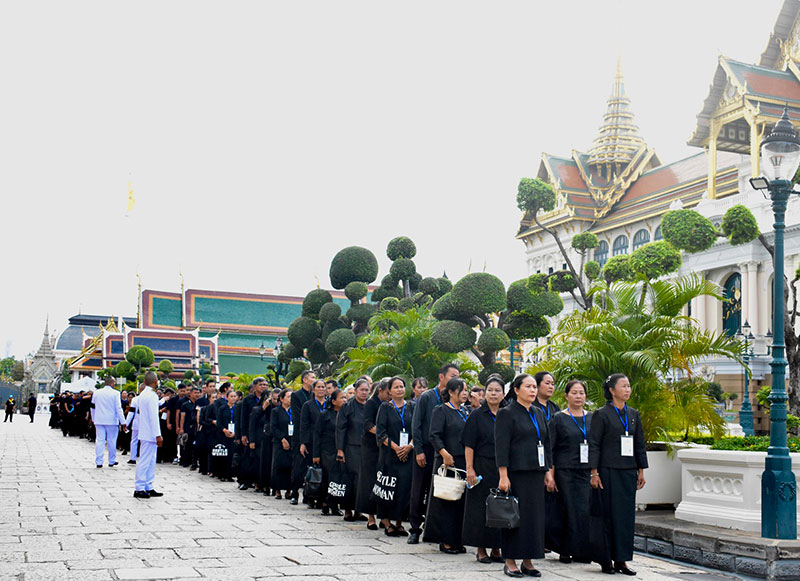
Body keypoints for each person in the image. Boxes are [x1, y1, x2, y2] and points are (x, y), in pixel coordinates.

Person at [496, 373, 554, 578]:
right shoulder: (507, 413)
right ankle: (510, 560)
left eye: (534, 387)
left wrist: (548, 470)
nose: (532, 390)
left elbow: (546, 444)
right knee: (515, 517)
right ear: (516, 389)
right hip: (516, 473)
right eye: (528, 387)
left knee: (534, 519)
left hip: (536, 473)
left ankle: (528, 561)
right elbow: (501, 447)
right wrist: (503, 475)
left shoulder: (538, 412)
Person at [589, 374, 647, 576]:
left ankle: (622, 560)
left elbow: (639, 443)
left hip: (628, 471)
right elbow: (594, 445)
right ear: (612, 390)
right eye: (623, 386)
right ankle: (606, 560)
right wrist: (594, 472)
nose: (628, 390)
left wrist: (640, 470)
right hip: (607, 471)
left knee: (625, 518)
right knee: (607, 516)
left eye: (629, 386)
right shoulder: (601, 414)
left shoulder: (633, 414)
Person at [408, 363, 460, 544]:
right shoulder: (427, 397)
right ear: (441, 377)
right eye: (452, 375)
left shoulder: (455, 399)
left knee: (439, 491)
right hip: (426, 450)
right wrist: (419, 450)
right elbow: (417, 424)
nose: (455, 379)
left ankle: (435, 529)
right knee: (418, 489)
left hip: (445, 453)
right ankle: (414, 528)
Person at [548, 379, 593, 564]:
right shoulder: (558, 418)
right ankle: (565, 550)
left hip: (586, 471)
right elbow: (550, 448)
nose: (578, 396)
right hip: (565, 471)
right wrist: (549, 475)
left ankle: (582, 551)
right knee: (567, 510)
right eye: (574, 392)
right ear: (566, 396)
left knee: (584, 511)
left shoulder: (592, 418)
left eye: (581, 393)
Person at [462, 375, 504, 564]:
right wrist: (469, 469)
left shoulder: (507, 414)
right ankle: (481, 549)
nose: (493, 394)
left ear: (503, 394)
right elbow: (469, 445)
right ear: (483, 394)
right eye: (490, 390)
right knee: (480, 508)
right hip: (481, 466)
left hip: (502, 468)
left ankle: (497, 548)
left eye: (497, 390)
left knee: (501, 507)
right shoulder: (476, 415)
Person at [424, 377, 469, 553]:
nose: (465, 393)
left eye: (466, 390)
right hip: (447, 461)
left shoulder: (465, 411)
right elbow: (434, 435)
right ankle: (446, 540)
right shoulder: (440, 410)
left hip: (463, 461)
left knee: (460, 502)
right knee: (446, 500)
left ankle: (457, 539)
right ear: (451, 392)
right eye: (462, 390)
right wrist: (444, 453)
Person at [374, 376, 414, 537]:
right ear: (389, 390)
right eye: (396, 387)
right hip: (389, 455)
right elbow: (381, 432)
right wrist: (397, 448)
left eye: (402, 386)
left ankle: (399, 522)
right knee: (388, 489)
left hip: (408, 455)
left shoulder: (412, 406)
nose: (400, 390)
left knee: (404, 489)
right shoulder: (385, 407)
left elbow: (417, 429)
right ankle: (387, 522)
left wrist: (409, 447)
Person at [356, 378, 389, 531]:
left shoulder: (390, 404)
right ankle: (370, 517)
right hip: (371, 447)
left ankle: (385, 517)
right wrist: (383, 434)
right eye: (388, 393)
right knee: (370, 480)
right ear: (380, 390)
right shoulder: (371, 403)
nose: (390, 395)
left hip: (386, 447)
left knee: (384, 481)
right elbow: (368, 424)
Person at [336, 377, 370, 521]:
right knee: (350, 478)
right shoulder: (347, 406)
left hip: (366, 448)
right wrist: (340, 449)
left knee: (363, 480)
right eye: (361, 390)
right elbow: (340, 428)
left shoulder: (370, 407)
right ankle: (348, 509)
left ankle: (359, 510)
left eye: (367, 390)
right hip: (350, 447)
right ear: (355, 391)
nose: (364, 393)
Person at [313, 388, 345, 516]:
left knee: (338, 478)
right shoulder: (325, 415)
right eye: (342, 398)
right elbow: (317, 435)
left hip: (340, 450)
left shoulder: (345, 414)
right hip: (326, 450)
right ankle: (325, 503)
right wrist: (315, 454)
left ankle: (335, 504)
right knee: (327, 477)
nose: (344, 400)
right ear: (333, 401)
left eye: (345, 398)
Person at [298, 379, 328, 507]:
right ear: (314, 389)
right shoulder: (308, 405)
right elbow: (304, 425)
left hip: (326, 441)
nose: (321, 389)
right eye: (318, 387)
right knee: (312, 469)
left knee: (325, 470)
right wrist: (303, 442)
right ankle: (310, 496)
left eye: (323, 387)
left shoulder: (329, 404)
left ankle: (323, 498)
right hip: (311, 440)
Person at [134, 372, 164, 499]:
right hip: (150, 433)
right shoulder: (151, 396)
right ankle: (140, 487)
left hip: (146, 432)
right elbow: (154, 417)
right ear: (155, 382)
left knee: (151, 461)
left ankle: (148, 485)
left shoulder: (143, 395)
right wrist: (158, 434)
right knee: (145, 461)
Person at [289, 371, 317, 503]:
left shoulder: (315, 395)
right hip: (300, 435)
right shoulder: (296, 395)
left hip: (314, 436)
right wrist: (302, 440)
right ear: (305, 380)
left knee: (312, 466)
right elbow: (298, 417)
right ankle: (294, 493)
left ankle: (309, 495)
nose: (314, 380)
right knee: (299, 465)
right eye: (312, 377)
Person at [238, 377, 267, 490]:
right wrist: (243, 434)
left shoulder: (268, 398)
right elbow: (243, 418)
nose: (263, 387)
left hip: (263, 432)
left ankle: (259, 482)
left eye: (265, 384)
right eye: (261, 385)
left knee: (260, 459)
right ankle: (244, 481)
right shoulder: (248, 399)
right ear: (255, 386)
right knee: (248, 457)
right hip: (251, 432)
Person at [92, 376, 127, 468]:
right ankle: (111, 460)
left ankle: (99, 461)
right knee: (112, 441)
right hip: (111, 420)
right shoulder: (115, 393)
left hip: (99, 419)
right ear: (112, 383)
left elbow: (92, 407)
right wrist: (123, 421)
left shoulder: (97, 393)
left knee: (100, 441)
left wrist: (93, 418)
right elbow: (118, 408)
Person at [270, 388, 295, 499]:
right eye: (288, 397)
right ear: (282, 398)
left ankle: (289, 490)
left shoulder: (295, 411)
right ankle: (277, 489)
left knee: (291, 466)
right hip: (280, 442)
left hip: (293, 441)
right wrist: (282, 439)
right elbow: (273, 427)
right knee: (278, 466)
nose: (290, 399)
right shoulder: (275, 411)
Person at [248, 394, 273, 494]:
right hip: (258, 439)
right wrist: (252, 440)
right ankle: (257, 482)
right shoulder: (256, 409)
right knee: (257, 462)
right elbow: (252, 425)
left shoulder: (273, 410)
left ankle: (266, 484)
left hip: (268, 439)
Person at [178, 386, 201, 469]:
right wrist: (181, 428)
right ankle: (185, 461)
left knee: (195, 445)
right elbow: (182, 417)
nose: (197, 394)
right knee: (187, 444)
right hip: (188, 426)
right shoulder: (185, 404)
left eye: (198, 393)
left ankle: (194, 461)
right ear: (190, 394)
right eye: (195, 393)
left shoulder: (199, 403)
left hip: (197, 426)